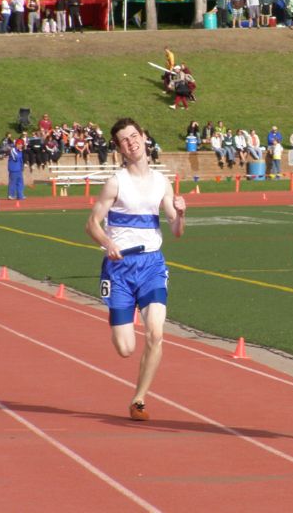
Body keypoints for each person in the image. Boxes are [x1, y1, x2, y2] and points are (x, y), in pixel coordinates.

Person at [85, 117, 186, 421]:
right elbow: (91, 223)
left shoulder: (161, 181)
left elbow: (176, 230)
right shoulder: (116, 182)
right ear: (120, 149)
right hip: (119, 268)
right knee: (126, 348)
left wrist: (181, 214)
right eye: (124, 140)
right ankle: (121, 316)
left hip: (152, 264)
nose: (132, 143)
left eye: (134, 136)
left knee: (156, 334)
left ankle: (139, 399)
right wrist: (106, 241)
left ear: (144, 136)